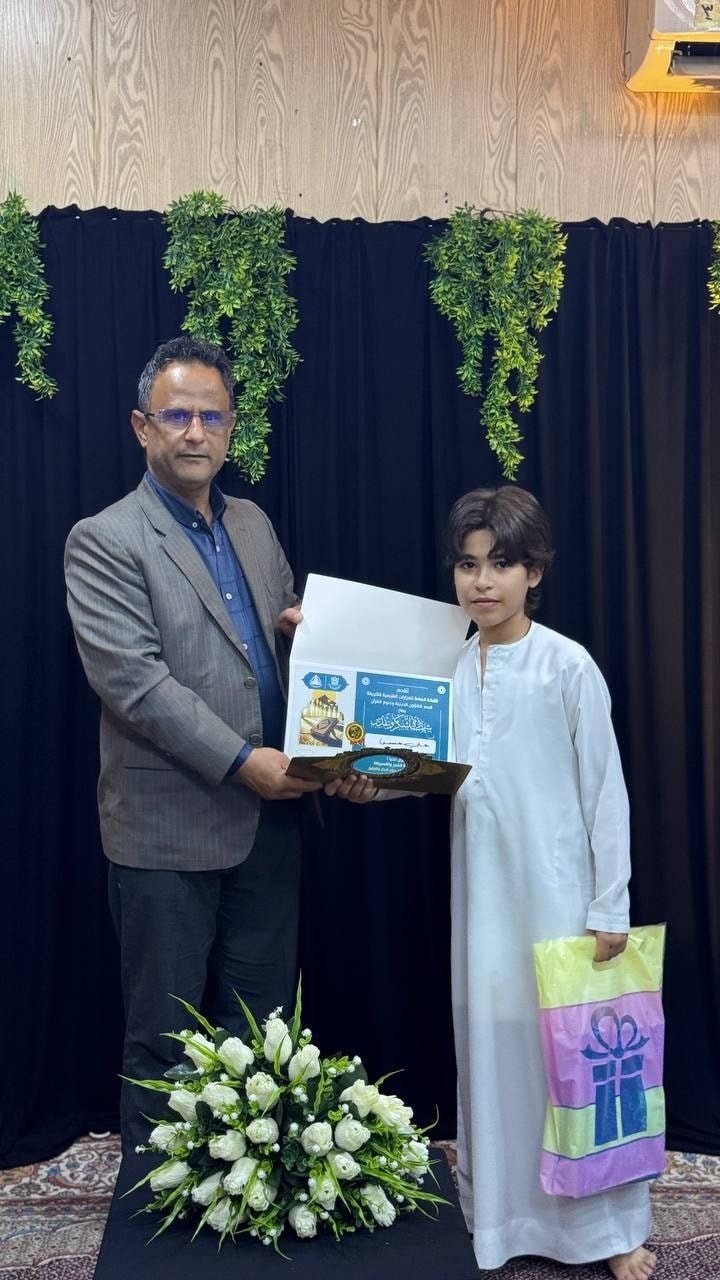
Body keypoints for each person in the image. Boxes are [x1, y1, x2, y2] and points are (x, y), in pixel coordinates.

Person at [65, 336, 371, 1151]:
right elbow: (135, 684)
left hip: (273, 823)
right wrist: (242, 763)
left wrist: (326, 676)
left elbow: (285, 645)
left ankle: (249, 1200)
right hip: (168, 829)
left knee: (263, 1035)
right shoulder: (105, 539)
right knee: (164, 1040)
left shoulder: (253, 524)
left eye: (212, 416)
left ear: (232, 428)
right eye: (177, 416)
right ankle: (152, 1214)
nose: (195, 432)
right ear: (142, 427)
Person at [446, 486, 655, 1280]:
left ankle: (610, 1232)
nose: (482, 582)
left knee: (580, 1066)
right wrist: (365, 780)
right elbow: (436, 771)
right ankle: (501, 1221)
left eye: (501, 563)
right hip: (482, 904)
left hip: (561, 902)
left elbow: (607, 795)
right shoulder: (451, 667)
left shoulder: (567, 665)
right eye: (468, 564)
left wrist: (609, 905)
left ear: (534, 572)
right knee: (497, 1055)